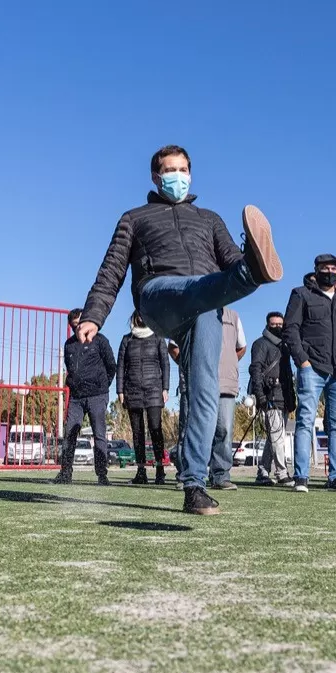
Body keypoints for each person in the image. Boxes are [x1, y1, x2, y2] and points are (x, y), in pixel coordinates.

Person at [76, 145, 282, 515]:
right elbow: (112, 270)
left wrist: (245, 261)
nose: (178, 176)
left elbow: (230, 260)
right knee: (209, 284)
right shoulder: (135, 218)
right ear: (156, 177)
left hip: (205, 307)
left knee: (204, 391)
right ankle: (252, 276)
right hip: (159, 295)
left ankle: (195, 486)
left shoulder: (209, 219)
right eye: (170, 170)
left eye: (183, 169)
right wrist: (93, 315)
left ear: (191, 173)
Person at [284, 254, 336, 493]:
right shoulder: (301, 294)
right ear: (316, 270)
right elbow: (290, 329)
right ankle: (301, 477)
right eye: (325, 268)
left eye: (334, 268)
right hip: (312, 368)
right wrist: (303, 361)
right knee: (305, 421)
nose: (330, 272)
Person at [54, 308, 117, 486]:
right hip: (76, 398)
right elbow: (70, 368)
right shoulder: (69, 345)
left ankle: (102, 475)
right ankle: (65, 473)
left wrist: (102, 386)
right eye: (75, 326)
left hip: (98, 395)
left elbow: (111, 366)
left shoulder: (100, 340)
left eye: (80, 324)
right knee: (69, 434)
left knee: (99, 435)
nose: (78, 328)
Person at [117, 312, 171, 486]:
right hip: (132, 391)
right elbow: (120, 366)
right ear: (134, 318)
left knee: (156, 429)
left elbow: (165, 363)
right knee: (137, 432)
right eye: (138, 315)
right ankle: (141, 471)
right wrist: (120, 391)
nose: (141, 317)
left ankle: (160, 470)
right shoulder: (127, 340)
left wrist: (165, 388)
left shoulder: (158, 337)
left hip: (154, 390)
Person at [248, 311, 295, 486]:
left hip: (284, 397)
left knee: (274, 437)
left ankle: (263, 471)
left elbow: (288, 374)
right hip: (270, 397)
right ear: (267, 325)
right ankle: (282, 473)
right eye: (273, 324)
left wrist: (292, 398)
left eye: (280, 324)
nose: (277, 327)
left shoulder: (285, 347)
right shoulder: (260, 344)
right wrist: (260, 395)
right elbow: (256, 370)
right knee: (277, 437)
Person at [208, 307, 247, 490]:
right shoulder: (196, 308)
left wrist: (228, 361)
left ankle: (220, 475)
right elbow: (174, 347)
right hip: (201, 381)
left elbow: (241, 347)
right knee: (201, 430)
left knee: (224, 429)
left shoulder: (233, 316)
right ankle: (194, 475)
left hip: (227, 383)